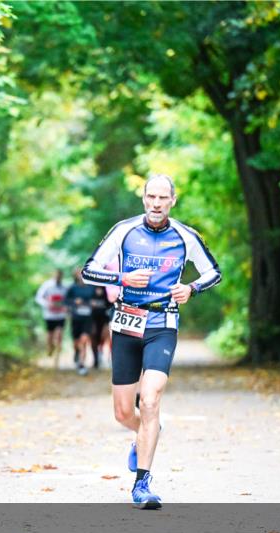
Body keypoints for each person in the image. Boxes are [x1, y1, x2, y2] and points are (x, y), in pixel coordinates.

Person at [81, 174, 221, 509]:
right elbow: (88, 271)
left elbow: (213, 272)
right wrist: (121, 277)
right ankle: (145, 433)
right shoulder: (124, 230)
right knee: (122, 412)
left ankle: (142, 484)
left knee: (151, 400)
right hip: (127, 323)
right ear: (143, 199)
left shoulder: (186, 236)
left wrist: (191, 288)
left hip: (163, 323)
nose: (156, 204)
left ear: (173, 200)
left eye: (162, 198)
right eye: (150, 197)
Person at [64, 270, 97, 375]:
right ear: (75, 276)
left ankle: (82, 365)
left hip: (88, 319)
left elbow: (99, 299)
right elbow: (65, 301)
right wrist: (74, 301)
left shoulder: (91, 288)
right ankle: (76, 353)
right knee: (76, 342)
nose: (81, 276)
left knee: (84, 341)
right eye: (78, 274)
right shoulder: (72, 288)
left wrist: (94, 303)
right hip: (76, 318)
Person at [34, 270, 68, 362]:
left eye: (59, 276)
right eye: (56, 276)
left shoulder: (65, 286)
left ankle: (58, 353)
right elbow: (38, 298)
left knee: (60, 333)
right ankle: (50, 346)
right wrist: (47, 304)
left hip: (61, 314)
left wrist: (66, 307)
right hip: (49, 315)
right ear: (53, 275)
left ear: (61, 276)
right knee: (50, 334)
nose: (58, 278)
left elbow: (68, 299)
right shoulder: (46, 285)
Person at [89, 286, 111, 369]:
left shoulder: (105, 290)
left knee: (103, 338)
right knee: (93, 338)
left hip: (104, 320)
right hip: (93, 320)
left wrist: (106, 323)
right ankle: (96, 360)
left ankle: (103, 356)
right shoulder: (90, 290)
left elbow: (109, 306)